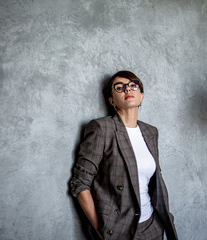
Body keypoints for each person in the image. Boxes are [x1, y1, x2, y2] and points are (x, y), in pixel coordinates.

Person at [70, 71, 178, 240]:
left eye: (133, 85)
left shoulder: (150, 132)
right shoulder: (102, 128)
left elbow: (154, 179)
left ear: (141, 96)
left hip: (152, 226)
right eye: (119, 87)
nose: (128, 89)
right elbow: (80, 183)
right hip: (118, 230)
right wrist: (102, 230)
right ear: (112, 101)